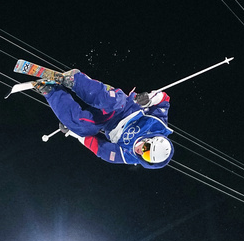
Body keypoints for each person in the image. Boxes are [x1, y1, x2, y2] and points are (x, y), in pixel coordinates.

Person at [35, 69, 174, 169]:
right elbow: (164, 100)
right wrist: (148, 100)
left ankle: (51, 90)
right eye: (147, 148)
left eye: (147, 157)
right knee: (108, 101)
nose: (141, 151)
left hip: (106, 122)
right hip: (122, 105)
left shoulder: (129, 155)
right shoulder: (157, 125)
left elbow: (101, 150)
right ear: (151, 140)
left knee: (82, 126)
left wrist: (73, 131)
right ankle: (75, 80)